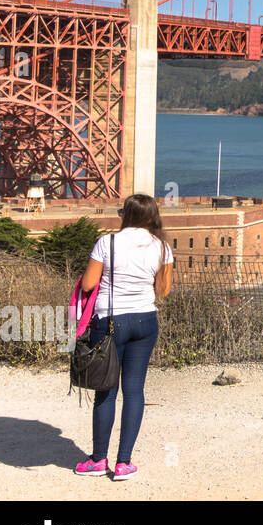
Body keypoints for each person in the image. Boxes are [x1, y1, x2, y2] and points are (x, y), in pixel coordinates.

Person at [73, 194, 174, 481]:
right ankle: (123, 464)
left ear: (126, 215)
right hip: (145, 321)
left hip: (110, 321)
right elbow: (163, 290)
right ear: (153, 216)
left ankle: (97, 460)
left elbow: (90, 283)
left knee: (106, 389)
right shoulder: (162, 248)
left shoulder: (108, 242)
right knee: (134, 390)